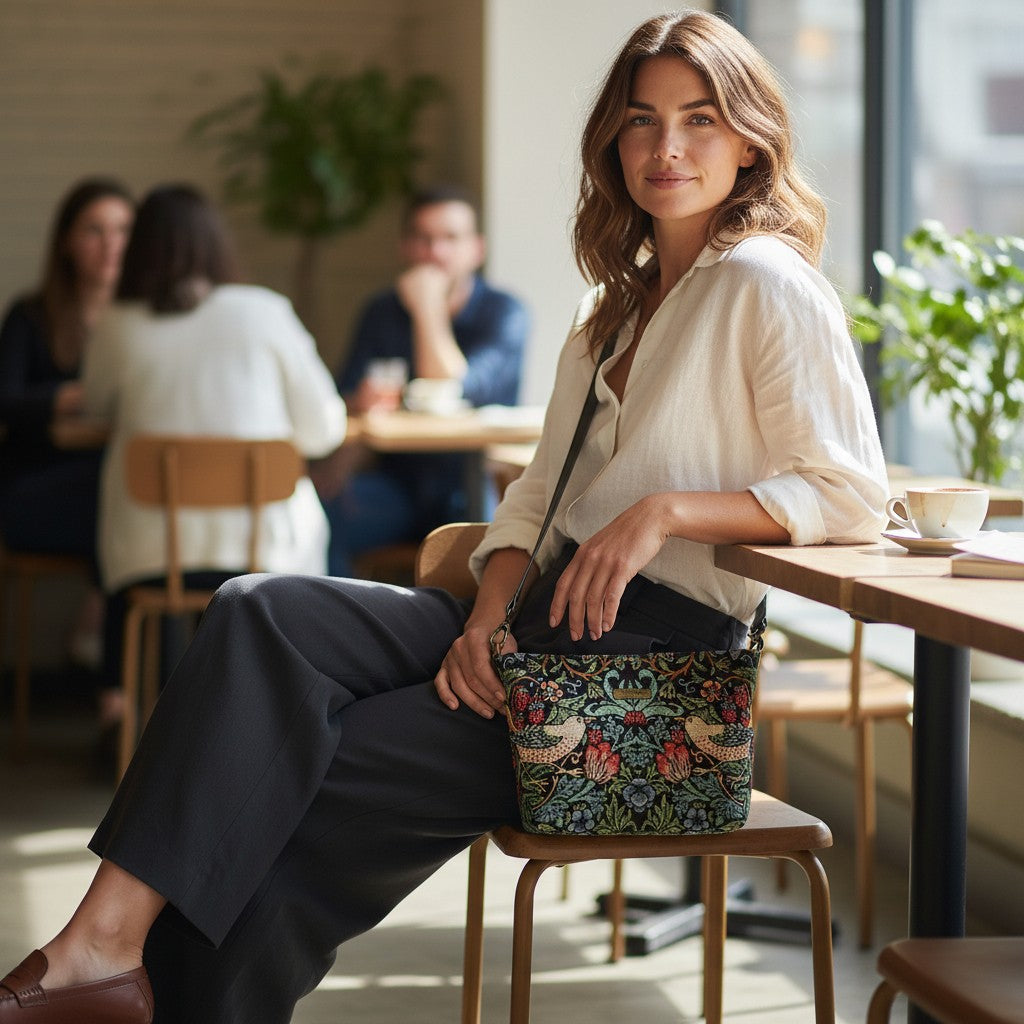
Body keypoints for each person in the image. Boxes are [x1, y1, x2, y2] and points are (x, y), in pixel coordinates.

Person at [0, 11, 887, 1023]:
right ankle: (101, 949)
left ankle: (146, 996)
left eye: (700, 119)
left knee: (309, 772)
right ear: (614, 140)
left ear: (750, 142)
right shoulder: (611, 313)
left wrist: (666, 512)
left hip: (651, 688)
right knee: (257, 609)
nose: (667, 147)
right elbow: (532, 502)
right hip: (544, 621)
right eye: (642, 120)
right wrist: (483, 623)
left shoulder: (768, 283)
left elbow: (852, 494)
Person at [79, 184, 347, 733]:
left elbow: (95, 405)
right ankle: (289, 727)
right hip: (268, 548)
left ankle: (134, 725)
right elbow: (324, 431)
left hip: (151, 551)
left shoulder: (118, 322)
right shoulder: (266, 312)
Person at [316, 186, 529, 577]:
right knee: (316, 515)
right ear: (404, 247)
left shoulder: (504, 312)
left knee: (490, 535)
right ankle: (334, 617)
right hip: (396, 485)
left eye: (450, 238)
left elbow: (454, 386)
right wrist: (360, 401)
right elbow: (341, 399)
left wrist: (427, 307)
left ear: (476, 249)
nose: (435, 252)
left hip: (474, 483)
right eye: (423, 238)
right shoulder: (381, 311)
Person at [0, 177, 134, 669]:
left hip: (110, 490)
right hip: (36, 488)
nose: (111, 244)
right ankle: (116, 680)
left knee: (137, 511)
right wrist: (74, 396)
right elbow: (6, 400)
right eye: (94, 230)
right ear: (67, 242)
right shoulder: (31, 316)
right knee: (127, 520)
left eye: (123, 230)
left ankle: (127, 685)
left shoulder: (141, 322)